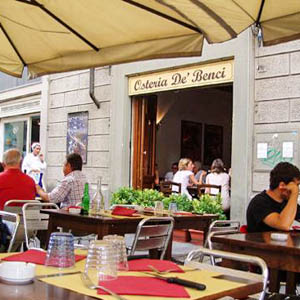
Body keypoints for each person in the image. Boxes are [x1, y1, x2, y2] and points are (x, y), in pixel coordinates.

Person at [247, 162, 300, 233]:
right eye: (296, 186)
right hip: (260, 243)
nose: (297, 189)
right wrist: (294, 193)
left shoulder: (286, 202)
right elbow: (283, 224)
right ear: (282, 185)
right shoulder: (259, 202)